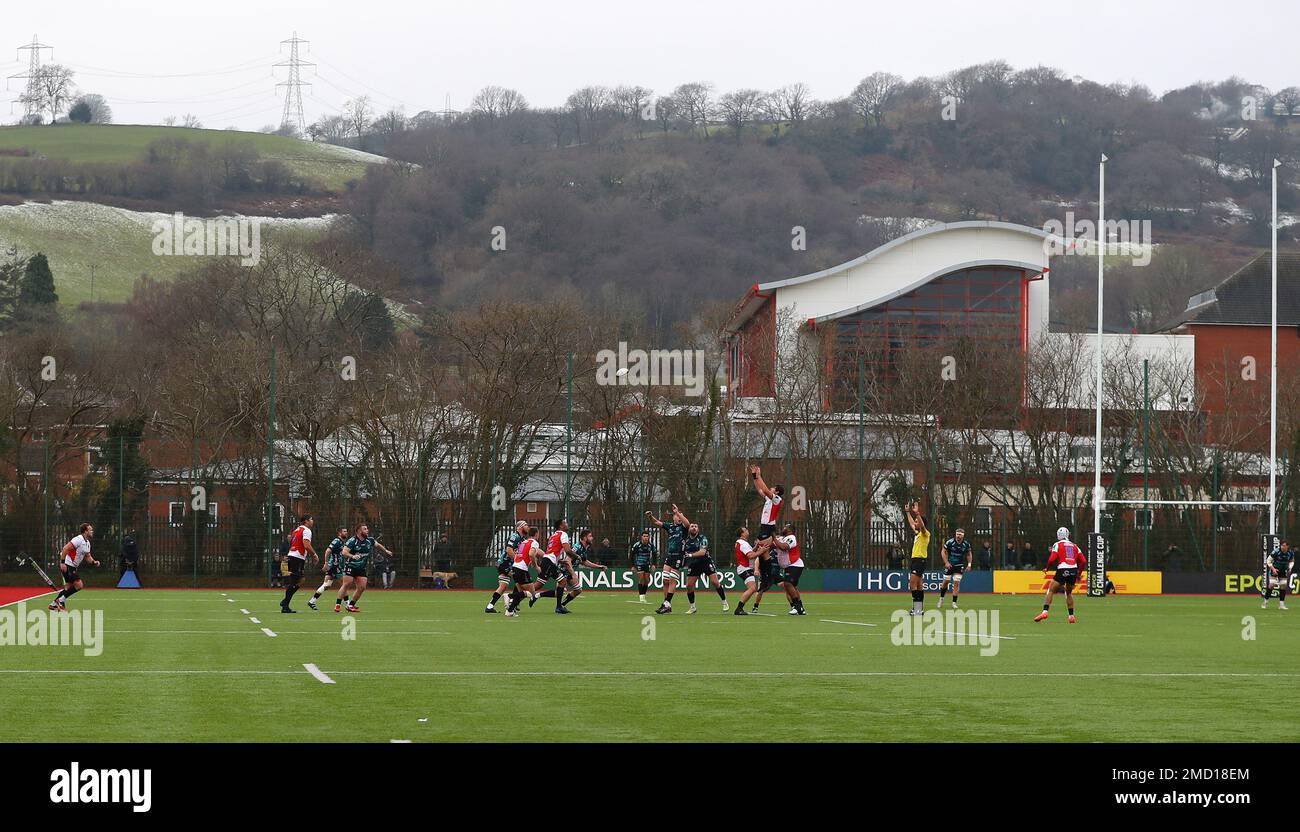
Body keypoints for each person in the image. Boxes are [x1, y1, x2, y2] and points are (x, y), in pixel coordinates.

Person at [334, 523, 393, 613]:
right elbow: (344, 552)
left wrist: (386, 551)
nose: (367, 530)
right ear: (359, 531)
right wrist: (352, 556)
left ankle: (351, 605)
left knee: (362, 587)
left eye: (367, 529)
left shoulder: (370, 540)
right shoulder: (352, 541)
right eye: (365, 529)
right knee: (347, 584)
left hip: (361, 568)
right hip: (350, 566)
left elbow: (378, 545)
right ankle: (338, 605)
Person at [678, 512, 727, 614]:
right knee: (689, 585)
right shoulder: (686, 540)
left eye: (696, 526)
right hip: (694, 564)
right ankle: (692, 607)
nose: (694, 528)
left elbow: (702, 552)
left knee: (715, 582)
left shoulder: (702, 538)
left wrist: (690, 555)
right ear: (689, 528)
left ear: (698, 529)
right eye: (692, 526)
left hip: (705, 562)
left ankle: (724, 601)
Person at [1035, 527, 1082, 623]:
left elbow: (1052, 559)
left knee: (1051, 590)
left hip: (1062, 569)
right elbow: (1083, 561)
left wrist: (1047, 568)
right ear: (1068, 535)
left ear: (1058, 535)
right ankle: (1071, 616)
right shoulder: (1075, 546)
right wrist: (1078, 574)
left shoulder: (1057, 544)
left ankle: (1045, 611)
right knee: (1068, 593)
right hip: (1073, 570)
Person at [49, 523, 99, 612]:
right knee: (79, 585)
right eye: (90, 530)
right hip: (68, 564)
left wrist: (94, 562)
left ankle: (53, 605)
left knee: (68, 588)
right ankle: (60, 600)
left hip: (73, 567)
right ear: (85, 531)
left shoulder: (87, 543)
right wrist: (62, 562)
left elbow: (87, 556)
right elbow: (65, 548)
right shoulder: (78, 539)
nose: (92, 531)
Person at [648, 505, 688, 615]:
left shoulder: (684, 528)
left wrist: (678, 512)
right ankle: (667, 605)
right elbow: (656, 522)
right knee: (665, 580)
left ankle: (666, 603)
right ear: (673, 518)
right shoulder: (670, 526)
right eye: (677, 516)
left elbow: (688, 523)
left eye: (681, 516)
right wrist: (650, 516)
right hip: (669, 556)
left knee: (672, 580)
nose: (679, 518)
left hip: (679, 556)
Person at [556, 527, 608, 610]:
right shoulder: (577, 547)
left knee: (577, 590)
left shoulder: (584, 548)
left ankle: (561, 605)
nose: (592, 538)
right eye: (590, 536)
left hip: (568, 571)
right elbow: (567, 561)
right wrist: (573, 574)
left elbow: (584, 562)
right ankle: (539, 596)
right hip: (564, 570)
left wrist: (599, 567)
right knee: (560, 592)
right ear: (584, 538)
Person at [486, 521, 529, 613]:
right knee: (519, 582)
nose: (528, 527)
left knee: (505, 585)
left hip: (510, 564)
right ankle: (512, 601)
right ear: (520, 527)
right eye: (526, 525)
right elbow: (509, 550)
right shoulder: (515, 536)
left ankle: (491, 606)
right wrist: (517, 562)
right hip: (505, 563)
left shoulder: (522, 539)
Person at [535, 519, 575, 614]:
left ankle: (514, 597)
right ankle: (558, 607)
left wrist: (559, 560)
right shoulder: (563, 534)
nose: (567, 524)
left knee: (537, 586)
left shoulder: (554, 535)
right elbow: (568, 550)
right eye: (565, 523)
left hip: (547, 561)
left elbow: (552, 551)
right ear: (561, 526)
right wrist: (577, 557)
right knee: (562, 581)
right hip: (549, 562)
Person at [281, 515, 319, 613]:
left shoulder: (296, 530)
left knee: (301, 580)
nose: (312, 521)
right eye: (311, 519)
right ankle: (285, 605)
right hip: (297, 557)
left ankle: (285, 602)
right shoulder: (306, 530)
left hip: (293, 556)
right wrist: (314, 555)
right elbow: (306, 544)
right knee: (294, 581)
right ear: (306, 521)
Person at [768, 522, 807, 615]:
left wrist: (774, 537)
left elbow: (783, 547)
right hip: (788, 566)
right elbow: (772, 545)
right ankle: (801, 608)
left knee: (787, 583)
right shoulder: (782, 538)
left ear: (790, 530)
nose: (783, 528)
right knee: (791, 586)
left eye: (785, 527)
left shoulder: (791, 538)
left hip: (795, 564)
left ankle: (796, 607)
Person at [504, 527, 544, 617]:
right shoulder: (534, 542)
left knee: (521, 592)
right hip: (521, 569)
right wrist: (536, 566)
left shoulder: (524, 542)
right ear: (536, 534)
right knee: (532, 593)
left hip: (515, 567)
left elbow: (530, 553)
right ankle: (509, 596)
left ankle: (510, 611)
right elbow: (531, 554)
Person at [309, 526, 349, 611]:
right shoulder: (337, 541)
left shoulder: (342, 542)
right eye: (344, 531)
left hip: (335, 566)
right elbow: (328, 551)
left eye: (346, 531)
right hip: (335, 566)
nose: (346, 533)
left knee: (326, 585)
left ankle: (312, 601)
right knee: (344, 584)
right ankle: (348, 604)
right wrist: (326, 563)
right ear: (339, 533)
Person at [732, 526, 766, 615]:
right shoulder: (743, 543)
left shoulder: (742, 543)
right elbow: (750, 555)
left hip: (745, 568)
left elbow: (750, 551)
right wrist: (761, 551)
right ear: (742, 533)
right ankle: (739, 608)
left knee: (753, 588)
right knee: (753, 588)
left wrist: (756, 546)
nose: (748, 531)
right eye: (745, 530)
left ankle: (739, 608)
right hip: (744, 568)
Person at [904, 500, 929, 616]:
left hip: (920, 560)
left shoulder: (925, 534)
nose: (915, 523)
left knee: (912, 584)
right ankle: (919, 609)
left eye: (917, 521)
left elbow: (922, 526)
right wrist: (908, 512)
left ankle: (916, 609)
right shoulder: (918, 533)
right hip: (916, 561)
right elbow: (911, 524)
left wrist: (917, 513)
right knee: (919, 585)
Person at [938, 528, 972, 609]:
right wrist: (946, 562)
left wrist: (969, 564)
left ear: (963, 536)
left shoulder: (966, 544)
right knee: (945, 582)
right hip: (950, 565)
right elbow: (943, 551)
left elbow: (969, 554)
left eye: (960, 534)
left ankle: (954, 602)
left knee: (956, 582)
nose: (958, 536)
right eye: (957, 534)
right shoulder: (950, 542)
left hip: (959, 565)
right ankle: (941, 599)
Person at [750, 464, 784, 541]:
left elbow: (765, 490)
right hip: (764, 525)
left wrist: (759, 476)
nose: (771, 488)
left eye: (773, 488)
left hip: (768, 526)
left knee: (760, 545)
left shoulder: (777, 499)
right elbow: (759, 489)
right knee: (760, 545)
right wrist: (754, 476)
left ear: (777, 492)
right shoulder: (769, 499)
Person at [1262, 539, 1294, 610]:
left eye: (1284, 546)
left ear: (1287, 546)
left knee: (1283, 586)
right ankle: (1265, 601)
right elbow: (1268, 561)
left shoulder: (1290, 553)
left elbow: (1291, 561)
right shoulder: (1276, 551)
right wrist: (1273, 569)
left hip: (1283, 571)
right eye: (1282, 545)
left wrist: (1290, 568)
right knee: (1272, 585)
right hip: (1274, 570)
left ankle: (1281, 605)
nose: (1282, 547)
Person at [629, 530, 658, 603]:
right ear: (641, 537)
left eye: (647, 536)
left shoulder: (650, 545)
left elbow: (655, 555)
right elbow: (631, 556)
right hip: (639, 564)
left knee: (647, 580)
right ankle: (641, 596)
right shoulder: (637, 545)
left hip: (647, 564)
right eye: (644, 536)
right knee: (641, 578)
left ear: (649, 537)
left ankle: (644, 595)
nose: (645, 538)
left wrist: (654, 564)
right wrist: (632, 565)